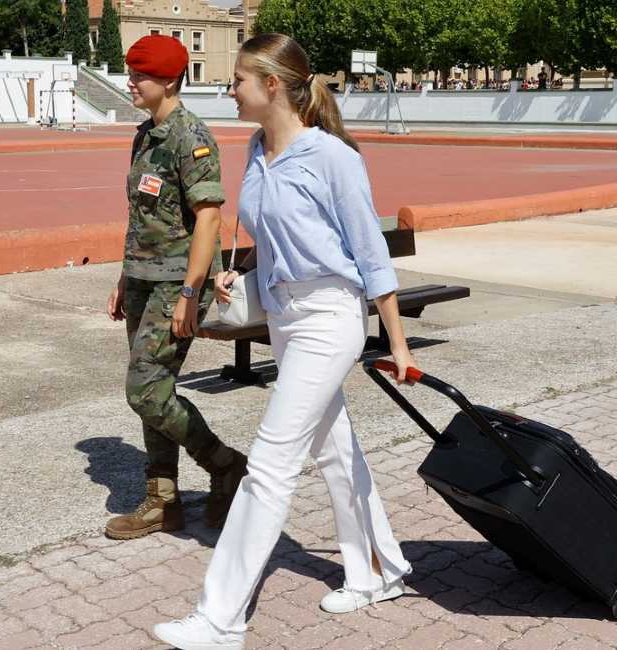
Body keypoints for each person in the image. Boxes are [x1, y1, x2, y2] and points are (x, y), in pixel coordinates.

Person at [152, 32, 417, 649]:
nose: (230, 90)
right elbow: (269, 235)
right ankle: (380, 571)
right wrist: (237, 271)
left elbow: (370, 255)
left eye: (238, 80)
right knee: (333, 449)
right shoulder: (256, 148)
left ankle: (221, 619)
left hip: (330, 317)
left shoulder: (333, 158)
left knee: (271, 463)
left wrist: (397, 342)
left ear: (272, 85)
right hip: (284, 316)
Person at [104, 34, 248, 540]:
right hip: (143, 280)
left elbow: (208, 219)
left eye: (139, 75)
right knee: (154, 392)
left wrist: (191, 293)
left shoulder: (192, 138)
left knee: (143, 390)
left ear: (167, 80)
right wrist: (124, 274)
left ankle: (225, 464)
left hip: (177, 286)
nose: (131, 82)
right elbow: (139, 216)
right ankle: (162, 500)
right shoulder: (145, 135)